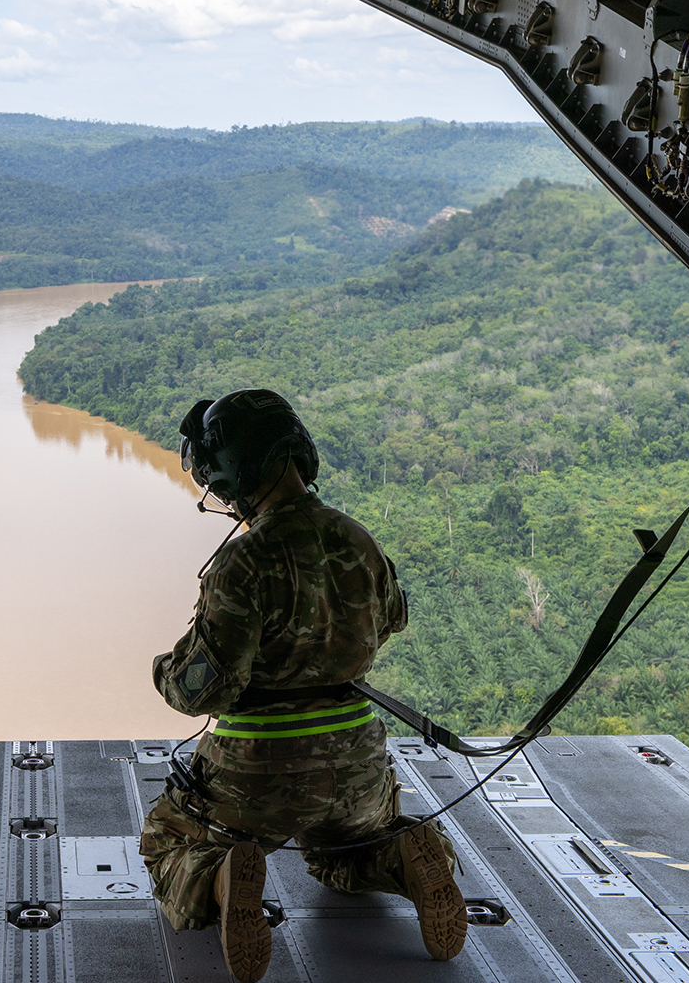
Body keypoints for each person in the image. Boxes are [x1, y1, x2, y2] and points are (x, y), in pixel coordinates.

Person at [138, 389, 465, 982]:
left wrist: (165, 668)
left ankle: (219, 875)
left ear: (233, 472)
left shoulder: (242, 563)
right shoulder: (358, 539)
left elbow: (201, 693)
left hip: (257, 775)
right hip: (359, 764)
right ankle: (403, 856)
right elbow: (391, 620)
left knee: (166, 838)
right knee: (341, 855)